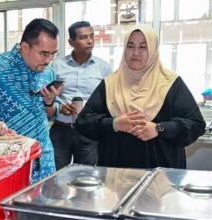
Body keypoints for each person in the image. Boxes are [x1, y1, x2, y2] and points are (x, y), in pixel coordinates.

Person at [75, 25, 206, 169]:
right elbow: (83, 122)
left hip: (161, 175)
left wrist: (159, 129)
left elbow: (196, 125)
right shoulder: (110, 84)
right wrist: (114, 124)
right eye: (130, 46)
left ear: (153, 50)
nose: (135, 52)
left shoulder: (170, 83)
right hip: (116, 175)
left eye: (143, 47)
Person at [0, 18, 63, 183]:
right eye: (44, 54)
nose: (48, 61)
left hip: (45, 158)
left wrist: (49, 102)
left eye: (53, 54)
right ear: (25, 47)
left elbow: (48, 114)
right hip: (11, 162)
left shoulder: (48, 72)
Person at [50, 21, 112, 170]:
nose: (90, 41)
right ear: (71, 42)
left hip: (89, 132)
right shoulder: (56, 66)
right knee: (54, 176)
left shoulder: (103, 68)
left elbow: (109, 101)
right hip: (61, 129)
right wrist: (60, 107)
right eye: (84, 37)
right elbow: (47, 97)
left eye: (92, 36)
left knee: (85, 175)